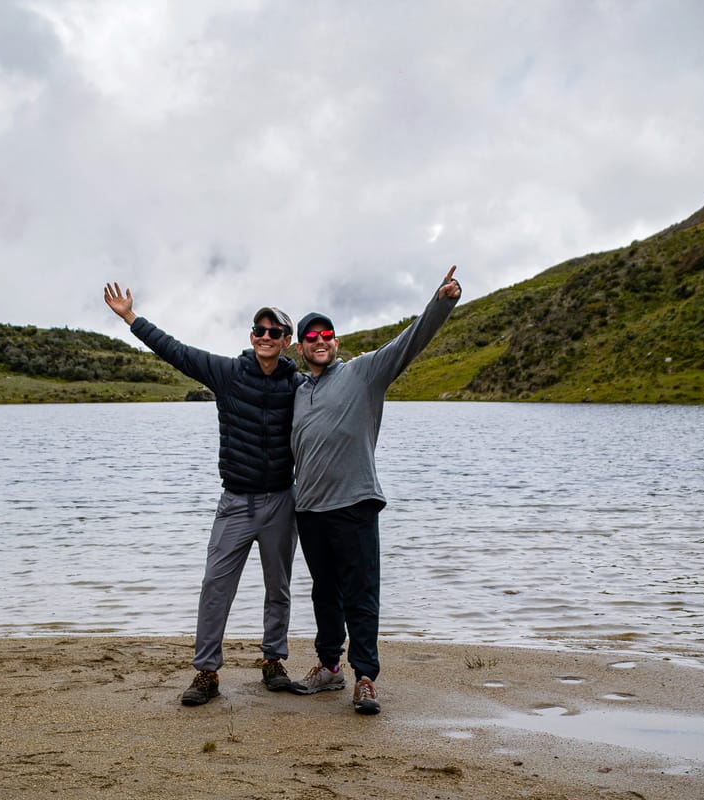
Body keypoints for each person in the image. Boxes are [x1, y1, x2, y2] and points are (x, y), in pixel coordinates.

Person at [103, 283, 306, 706]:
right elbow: (175, 351)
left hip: (281, 501)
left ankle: (273, 662)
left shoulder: (299, 385)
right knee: (215, 585)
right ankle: (207, 672)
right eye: (259, 330)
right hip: (235, 502)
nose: (265, 337)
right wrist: (130, 318)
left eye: (274, 331)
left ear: (287, 341)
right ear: (251, 337)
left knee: (279, 588)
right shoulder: (227, 373)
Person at [290, 265, 462, 714]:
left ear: (336, 341)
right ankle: (330, 668)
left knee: (361, 593)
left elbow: (410, 343)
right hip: (308, 510)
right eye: (312, 337)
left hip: (356, 504)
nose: (321, 340)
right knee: (324, 593)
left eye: (327, 334)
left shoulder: (365, 373)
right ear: (302, 347)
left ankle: (365, 677)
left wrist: (441, 303)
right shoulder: (297, 391)